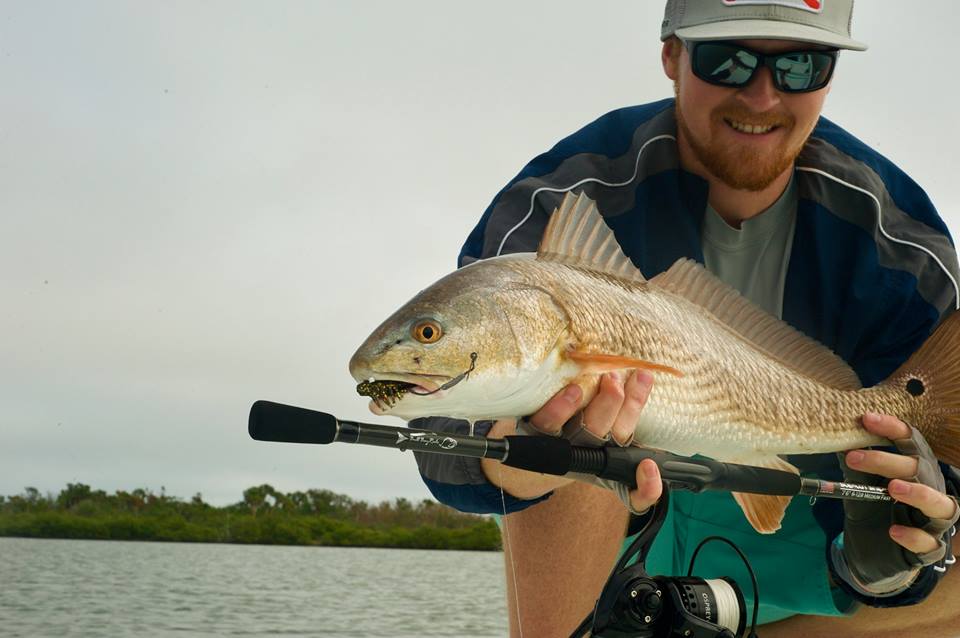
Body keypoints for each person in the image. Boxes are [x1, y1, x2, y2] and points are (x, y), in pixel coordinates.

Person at [411, 1, 960, 636]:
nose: (761, 97)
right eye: (726, 60)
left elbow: (941, 476)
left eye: (802, 66)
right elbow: (439, 429)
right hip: (619, 515)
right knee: (571, 422)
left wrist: (897, 555)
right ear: (671, 55)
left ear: (830, 75)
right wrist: (529, 450)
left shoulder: (898, 238)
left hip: (808, 508)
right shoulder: (563, 194)